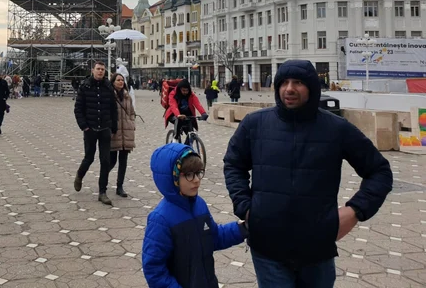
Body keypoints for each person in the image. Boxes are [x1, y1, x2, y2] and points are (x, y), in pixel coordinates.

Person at [223, 60, 393, 288]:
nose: (289, 89)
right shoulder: (255, 124)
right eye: (283, 82)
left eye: (298, 82)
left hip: (317, 249)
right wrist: (245, 206)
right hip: (268, 246)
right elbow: (234, 164)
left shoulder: (337, 129)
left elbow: (379, 171)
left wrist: (355, 211)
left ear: (312, 87)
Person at [143, 144, 247, 287]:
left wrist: (243, 228)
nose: (197, 180)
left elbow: (214, 237)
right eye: (189, 175)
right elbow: (154, 269)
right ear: (172, 178)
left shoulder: (200, 205)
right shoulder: (160, 219)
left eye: (198, 173)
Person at [74, 60, 118, 205]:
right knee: (89, 157)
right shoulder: (85, 86)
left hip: (105, 128)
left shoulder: (108, 87)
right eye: (98, 69)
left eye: (103, 69)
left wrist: (114, 127)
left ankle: (102, 192)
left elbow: (113, 109)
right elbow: (78, 109)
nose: (100, 72)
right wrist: (84, 126)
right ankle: (80, 175)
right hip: (90, 128)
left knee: (105, 160)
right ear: (93, 70)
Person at [109, 73, 136, 198]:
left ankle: (120, 187)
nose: (120, 82)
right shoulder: (109, 95)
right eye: (118, 80)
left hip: (126, 131)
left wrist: (131, 123)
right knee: (112, 160)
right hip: (114, 131)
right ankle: (103, 179)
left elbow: (131, 112)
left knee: (123, 160)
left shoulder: (127, 96)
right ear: (113, 81)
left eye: (122, 80)